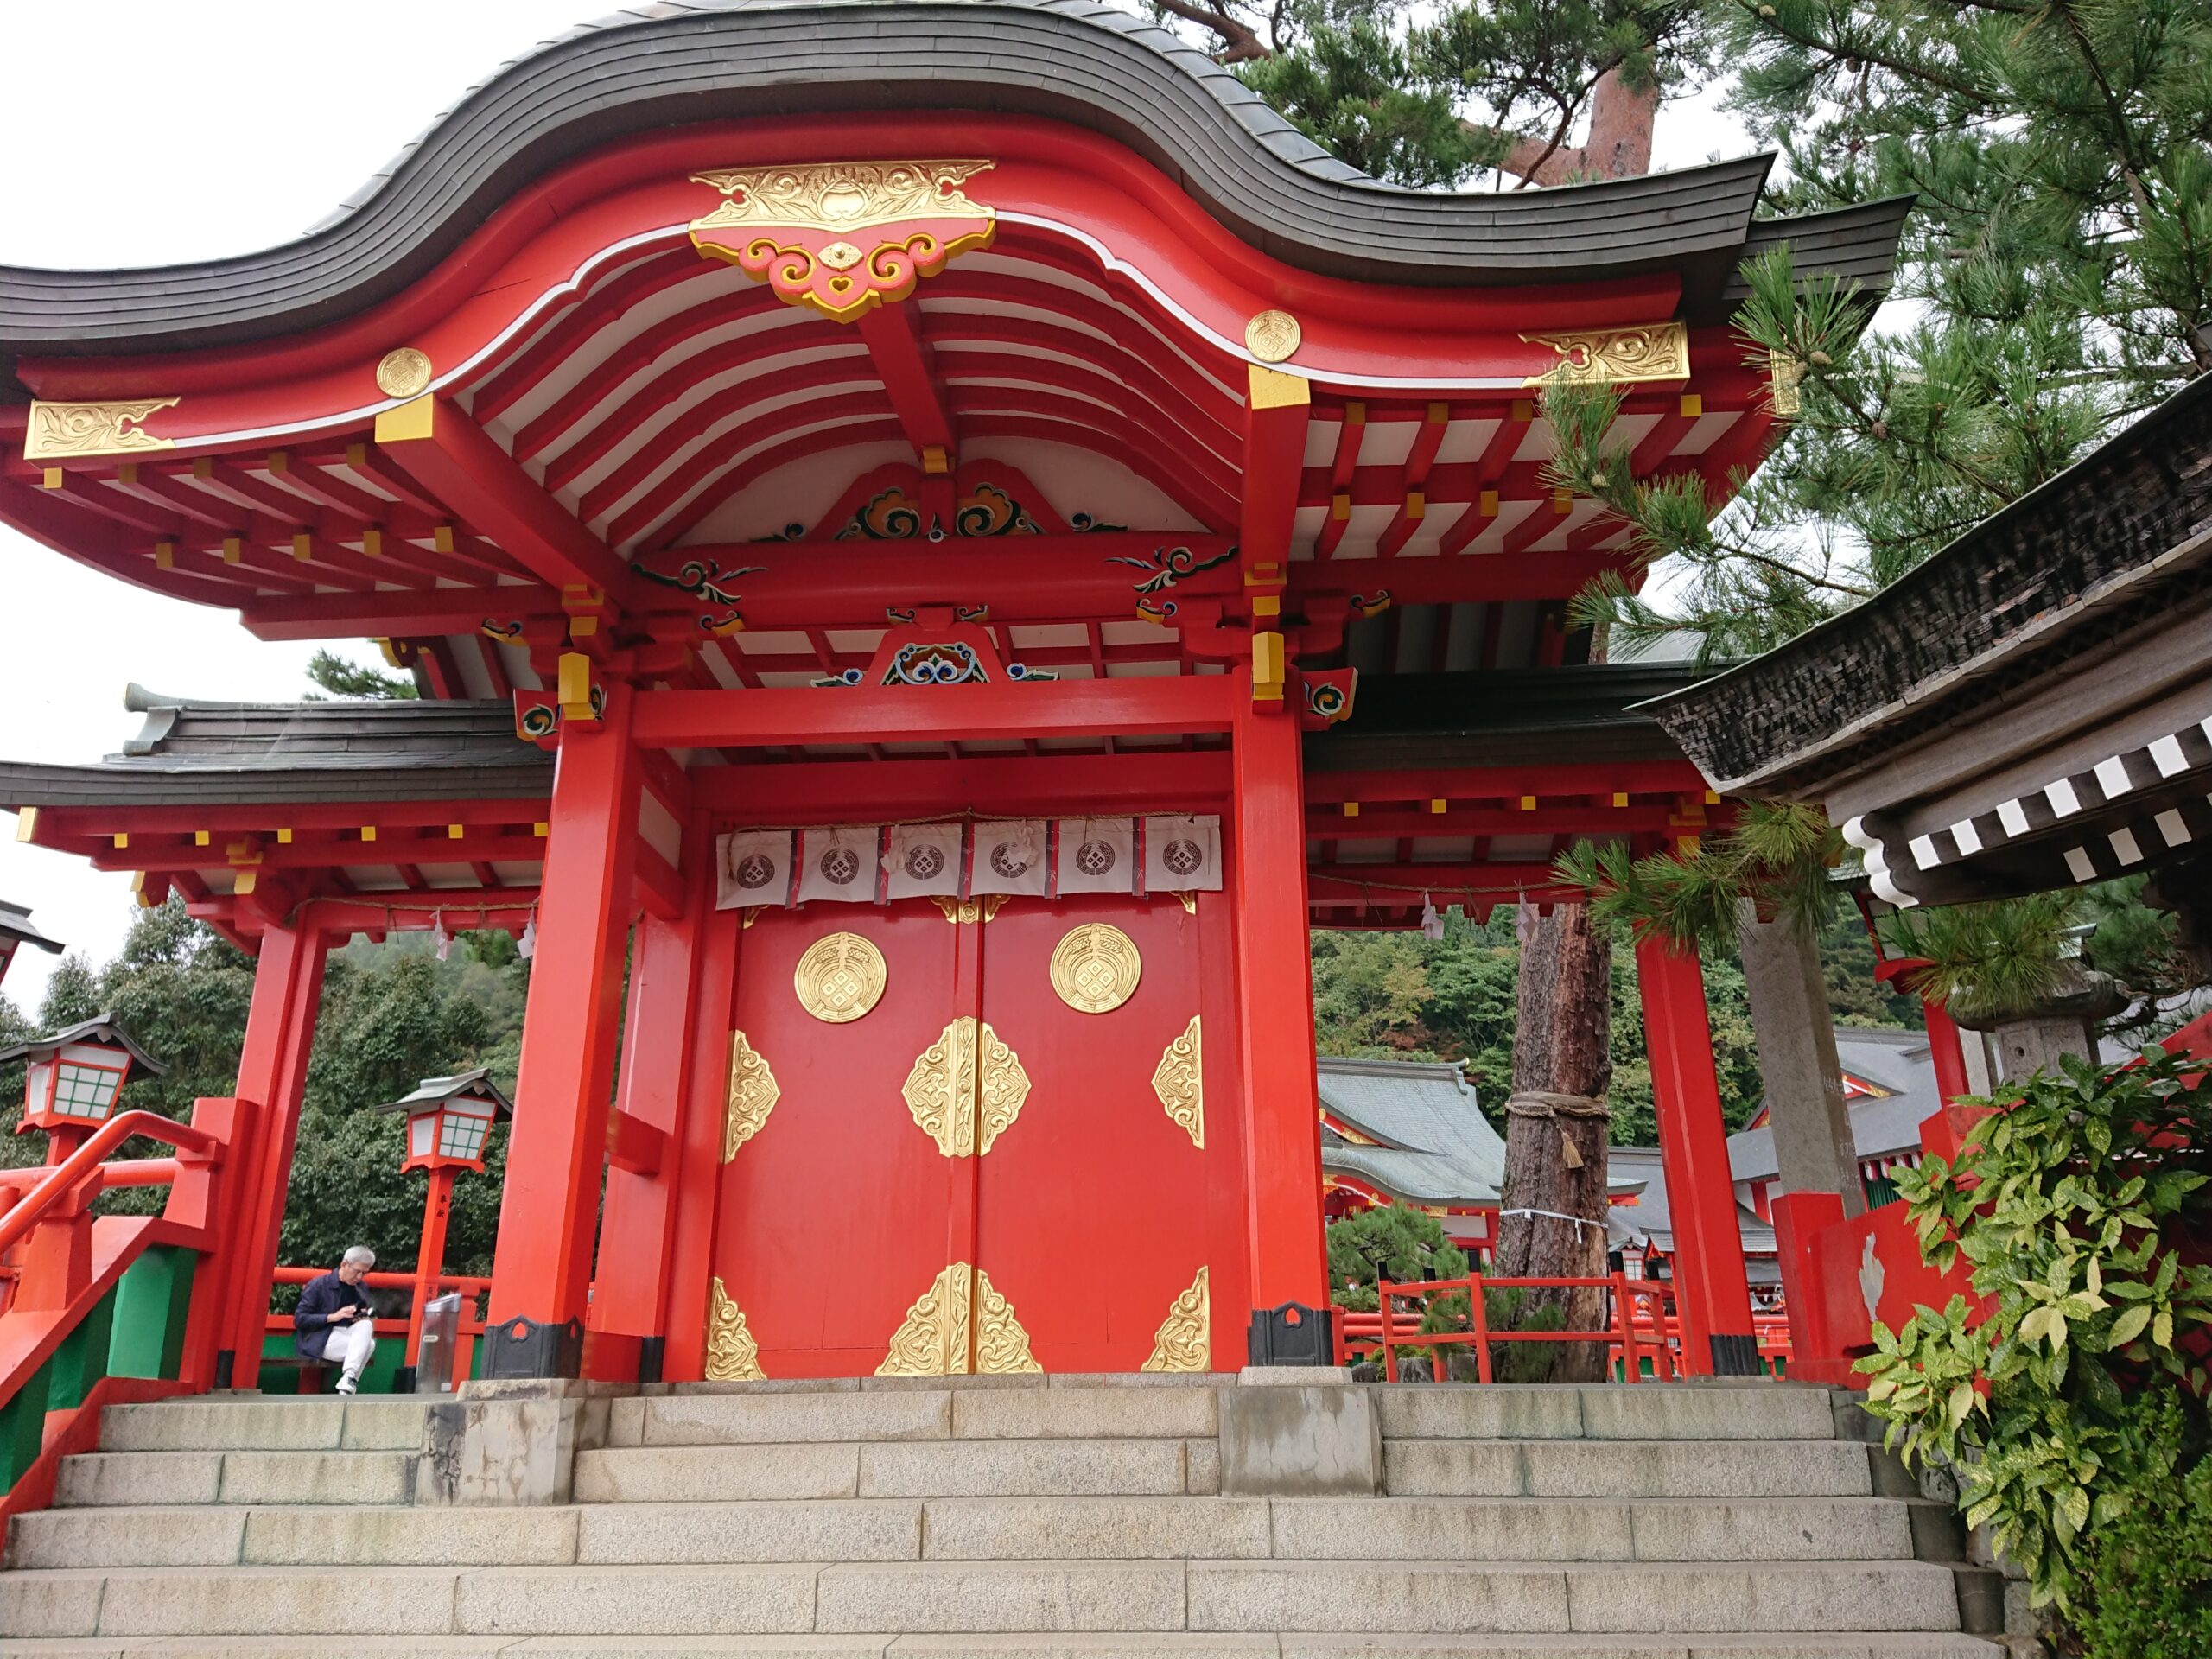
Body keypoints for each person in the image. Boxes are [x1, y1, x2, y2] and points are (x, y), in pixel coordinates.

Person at [295, 1245, 378, 1395]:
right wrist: (333, 1316)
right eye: (357, 1271)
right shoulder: (318, 1285)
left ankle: (348, 1379)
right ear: (344, 1264)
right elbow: (300, 1319)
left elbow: (361, 1312)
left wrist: (361, 1314)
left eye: (364, 1273)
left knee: (367, 1331)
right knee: (368, 1345)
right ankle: (348, 1383)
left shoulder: (361, 1287)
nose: (359, 1277)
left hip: (345, 1335)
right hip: (319, 1339)